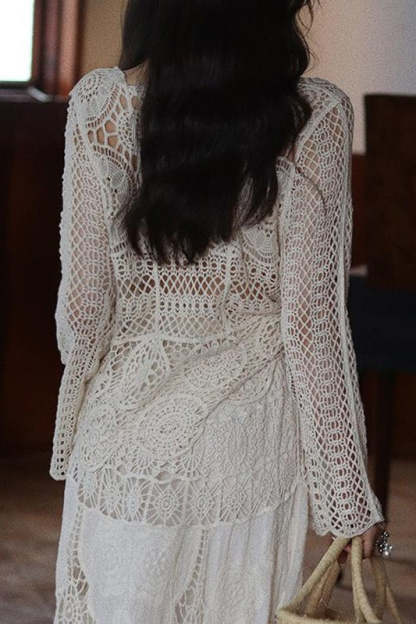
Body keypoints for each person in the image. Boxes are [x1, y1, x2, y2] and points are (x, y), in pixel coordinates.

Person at [50, 0, 388, 621]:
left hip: (120, 454)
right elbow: (311, 329)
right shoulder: (315, 117)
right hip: (244, 458)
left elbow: (84, 315)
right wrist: (347, 498)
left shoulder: (98, 105)